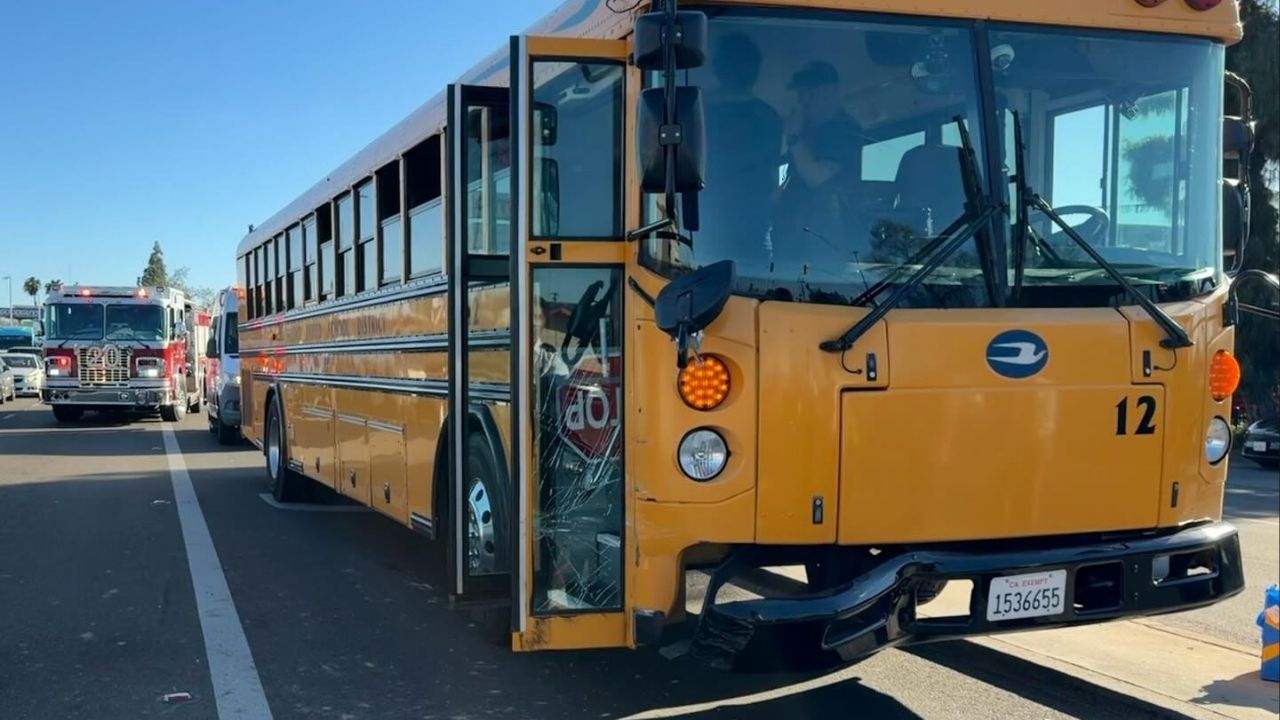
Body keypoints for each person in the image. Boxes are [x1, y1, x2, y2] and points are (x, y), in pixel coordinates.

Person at [701, 33, 782, 271]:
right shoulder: (768, 116)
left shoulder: (696, 112)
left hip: (702, 221)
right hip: (752, 222)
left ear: (718, 69)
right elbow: (772, 176)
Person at [773, 61, 864, 263]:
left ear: (831, 92)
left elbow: (816, 177)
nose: (802, 101)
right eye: (801, 94)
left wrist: (794, 137)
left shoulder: (843, 131)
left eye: (809, 93)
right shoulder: (809, 132)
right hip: (798, 236)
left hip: (825, 238)